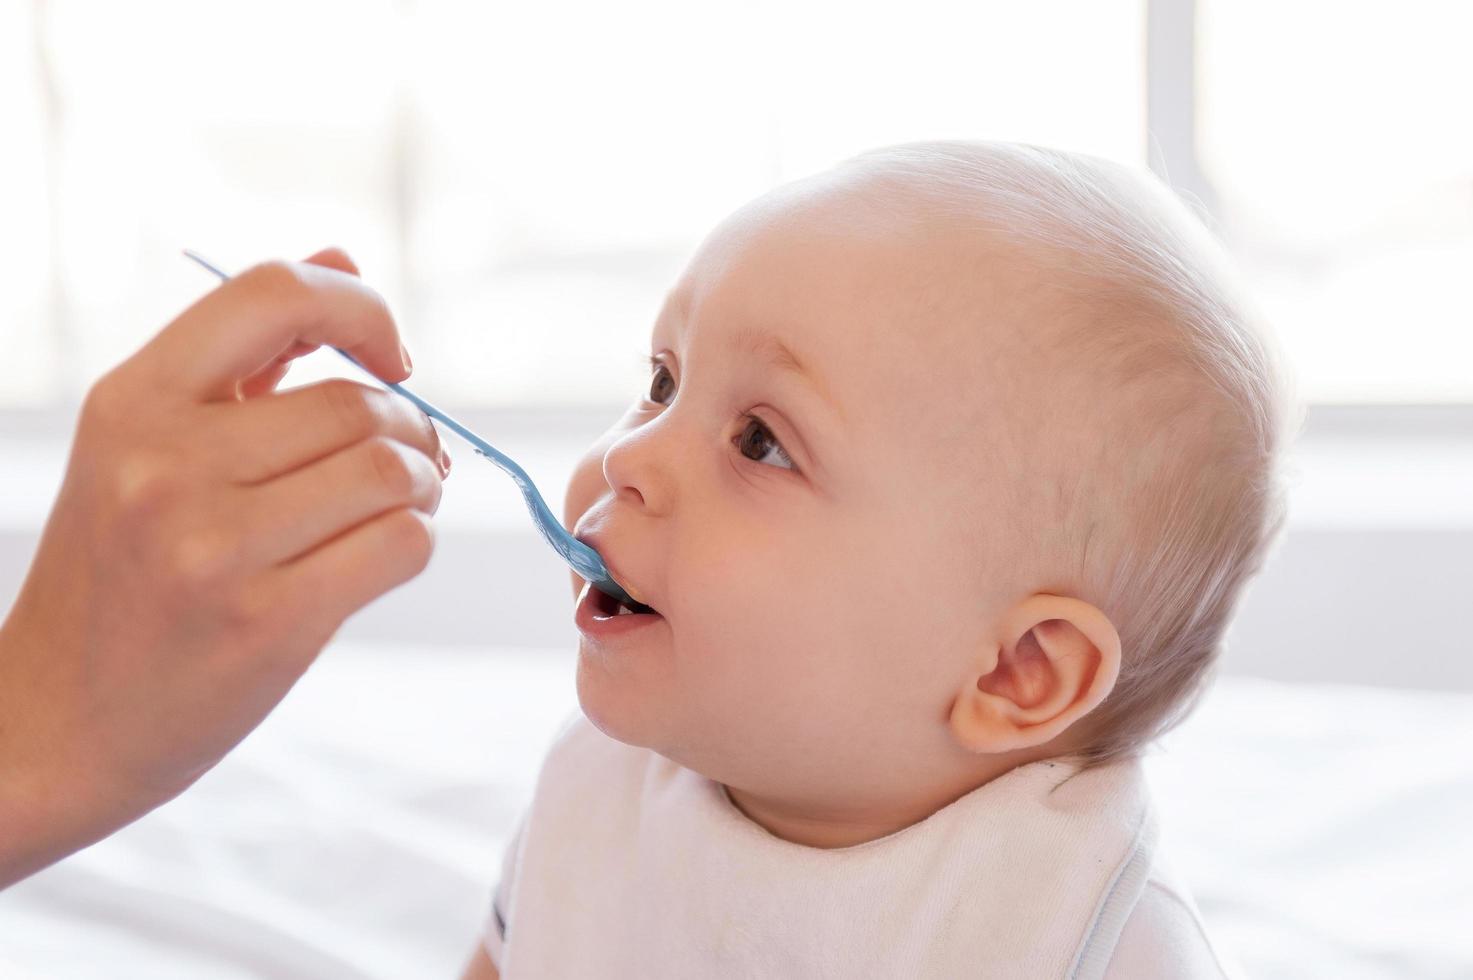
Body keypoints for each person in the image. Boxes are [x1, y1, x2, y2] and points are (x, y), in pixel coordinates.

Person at [462, 141, 1291, 978]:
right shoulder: (603, 788)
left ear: (1017, 669)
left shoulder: (1081, 937)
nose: (628, 459)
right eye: (664, 381)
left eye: (762, 443)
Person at [0, 247, 452, 889]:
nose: (618, 462)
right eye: (652, 384)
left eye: (658, 388)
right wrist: (32, 736)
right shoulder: (579, 795)